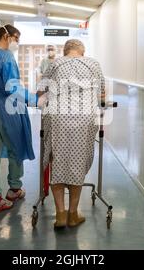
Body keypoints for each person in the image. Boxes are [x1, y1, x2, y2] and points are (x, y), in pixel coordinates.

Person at [37, 39, 105, 228]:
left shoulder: (55, 64)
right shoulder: (93, 64)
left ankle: (60, 214)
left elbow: (41, 90)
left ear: (66, 51)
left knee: (57, 160)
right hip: (85, 118)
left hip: (59, 117)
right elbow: (102, 93)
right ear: (82, 51)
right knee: (77, 161)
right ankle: (73, 214)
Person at [0, 24, 37, 214]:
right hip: (6, 108)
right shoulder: (6, 57)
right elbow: (13, 88)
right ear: (6, 36)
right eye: (16, 39)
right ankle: (14, 189)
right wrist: (36, 99)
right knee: (15, 148)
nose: (16, 43)